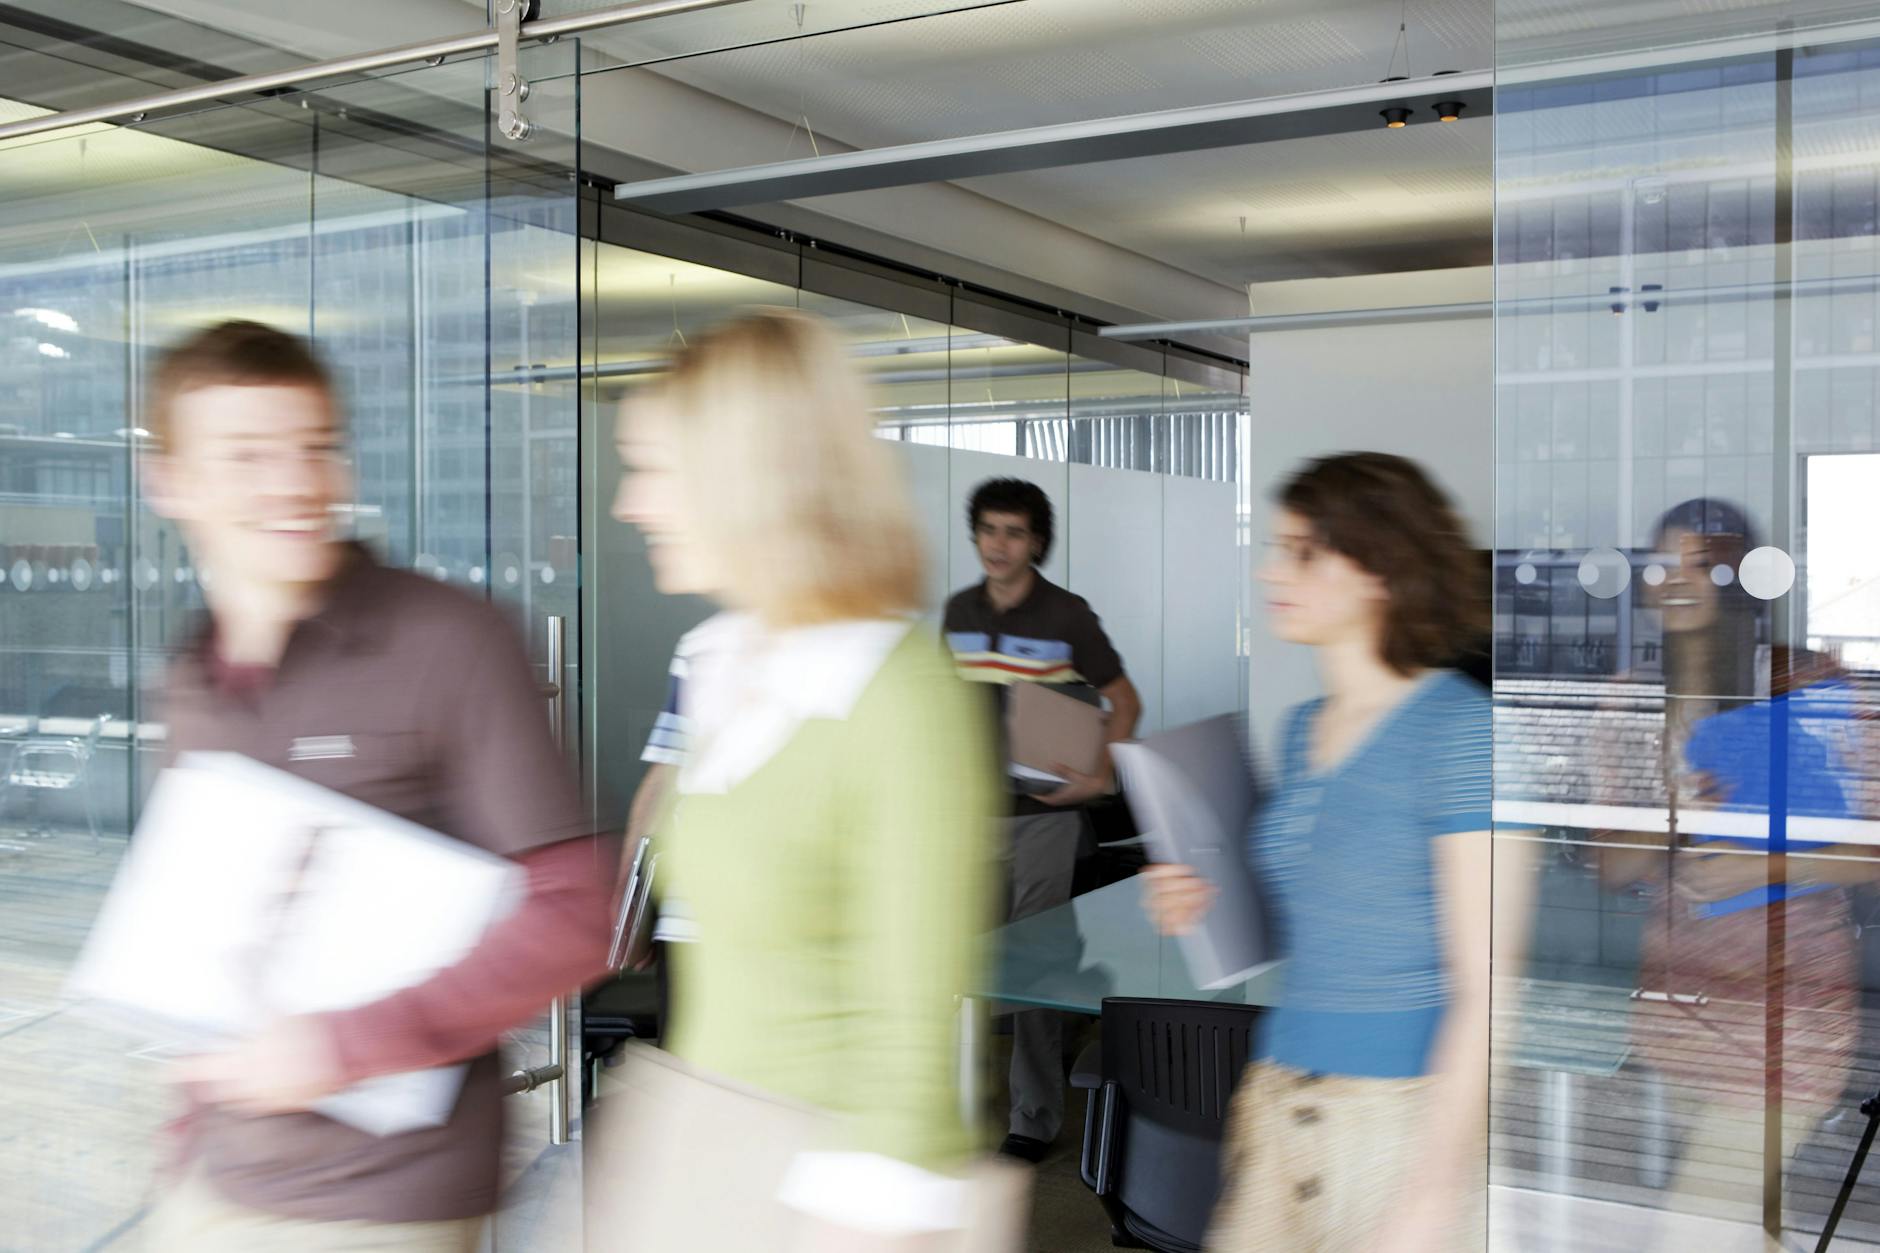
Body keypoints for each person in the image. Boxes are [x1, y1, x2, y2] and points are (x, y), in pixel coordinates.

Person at [136, 321, 613, 1251]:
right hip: (214, 1177)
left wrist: (343, 1046)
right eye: (247, 457)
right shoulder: (191, 673)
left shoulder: (451, 638)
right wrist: (189, 1123)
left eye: (316, 448)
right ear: (172, 483)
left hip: (385, 1202)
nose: (295, 484)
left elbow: (576, 911)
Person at [608, 308, 998, 1242]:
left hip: (834, 1191)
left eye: (655, 470)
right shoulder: (719, 657)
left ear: (748, 477)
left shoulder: (893, 693)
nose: (632, 503)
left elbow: (909, 1035)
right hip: (717, 1148)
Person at [1142, 452, 1505, 1253]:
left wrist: (1431, 1194)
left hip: (1396, 1119)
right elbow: (1325, 915)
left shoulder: (1460, 730)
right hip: (1279, 1093)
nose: (1271, 569)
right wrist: (1201, 900)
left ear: (1381, 569)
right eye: (1276, 546)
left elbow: (1491, 992)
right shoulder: (1303, 727)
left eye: (1302, 551)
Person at [1597, 498, 1868, 1244]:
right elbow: (1614, 868)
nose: (1676, 579)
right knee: (1743, 1224)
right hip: (1677, 1020)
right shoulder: (1630, 701)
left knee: (1693, 1228)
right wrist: (1666, 807)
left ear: (1740, 579)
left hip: (1788, 1023)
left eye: (1702, 564)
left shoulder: (1805, 685)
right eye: (1661, 563)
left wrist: (1762, 867)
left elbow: (1873, 847)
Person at [942, 477, 1141, 1163]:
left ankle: (1032, 1113)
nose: (1000, 544)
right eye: (990, 530)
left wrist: (1100, 771)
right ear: (976, 535)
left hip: (1043, 817)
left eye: (1015, 532)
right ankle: (970, 1089)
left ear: (1037, 542)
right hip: (969, 815)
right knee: (967, 959)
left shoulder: (1066, 615)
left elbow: (1121, 698)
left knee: (1029, 965)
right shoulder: (958, 612)